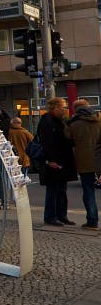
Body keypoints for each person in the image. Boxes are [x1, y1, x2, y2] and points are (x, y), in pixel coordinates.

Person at [37, 97, 77, 226]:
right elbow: (46, 143)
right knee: (53, 190)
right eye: (62, 107)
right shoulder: (47, 121)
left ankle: (62, 215)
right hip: (53, 161)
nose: (65, 109)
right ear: (55, 108)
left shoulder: (61, 121)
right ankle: (50, 216)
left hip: (62, 160)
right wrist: (49, 160)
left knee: (62, 190)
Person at [65, 99, 101, 230]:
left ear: (76, 110)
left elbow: (67, 137)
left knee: (88, 191)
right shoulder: (99, 119)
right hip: (99, 160)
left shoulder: (75, 124)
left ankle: (92, 221)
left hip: (84, 162)